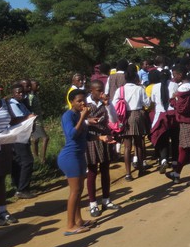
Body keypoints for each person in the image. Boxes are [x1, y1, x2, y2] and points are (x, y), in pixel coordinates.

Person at [58, 89, 94, 235]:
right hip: (70, 157)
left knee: (79, 191)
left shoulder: (78, 115)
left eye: (83, 100)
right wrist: (83, 118)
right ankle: (70, 225)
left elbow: (84, 136)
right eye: (79, 101)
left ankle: (78, 221)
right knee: (75, 191)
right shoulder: (68, 116)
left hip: (79, 156)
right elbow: (72, 135)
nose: (82, 103)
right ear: (71, 102)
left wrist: (101, 138)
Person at [84, 81, 121, 217]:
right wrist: (88, 121)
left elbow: (114, 119)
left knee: (105, 169)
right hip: (91, 139)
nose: (101, 93)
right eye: (98, 91)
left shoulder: (104, 103)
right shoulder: (85, 103)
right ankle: (93, 203)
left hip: (105, 137)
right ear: (91, 90)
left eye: (102, 91)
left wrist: (108, 104)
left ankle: (106, 200)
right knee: (92, 171)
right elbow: (78, 122)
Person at [112, 65, 151, 181]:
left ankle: (128, 173)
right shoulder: (139, 89)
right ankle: (140, 169)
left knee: (127, 147)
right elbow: (147, 103)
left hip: (125, 117)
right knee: (138, 143)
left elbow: (114, 105)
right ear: (135, 78)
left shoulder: (120, 90)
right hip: (137, 115)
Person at [8, 82, 36, 199]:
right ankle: (22, 189)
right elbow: (14, 120)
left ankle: (19, 186)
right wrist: (28, 117)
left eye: (22, 92)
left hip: (23, 135)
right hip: (17, 137)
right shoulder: (12, 104)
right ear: (13, 94)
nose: (20, 94)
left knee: (19, 161)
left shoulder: (21, 103)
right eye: (17, 93)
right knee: (27, 161)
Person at [0, 98, 20, 226]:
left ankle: (2, 211)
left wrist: (27, 118)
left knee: (0, 179)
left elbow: (12, 120)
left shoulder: (4, 103)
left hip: (4, 145)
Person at [27, 80, 50, 163]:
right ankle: (42, 160)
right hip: (35, 122)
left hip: (39, 120)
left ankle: (36, 159)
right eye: (36, 85)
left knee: (35, 140)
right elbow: (29, 109)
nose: (38, 87)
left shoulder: (35, 95)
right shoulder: (30, 97)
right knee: (45, 138)